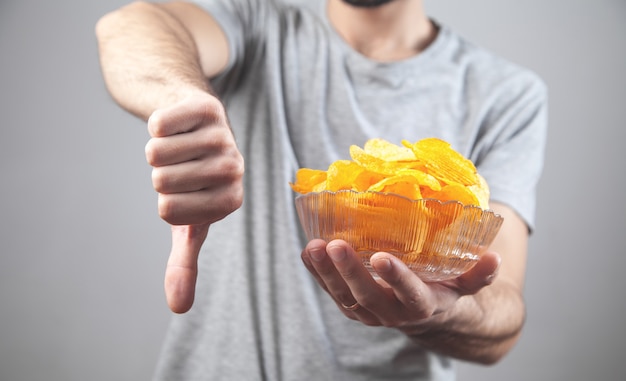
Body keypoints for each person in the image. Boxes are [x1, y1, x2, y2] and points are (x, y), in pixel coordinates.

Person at [95, 0, 547, 379]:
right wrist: (183, 104)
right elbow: (133, 25)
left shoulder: (505, 95)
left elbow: (500, 321)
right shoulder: (256, 26)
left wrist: (440, 313)